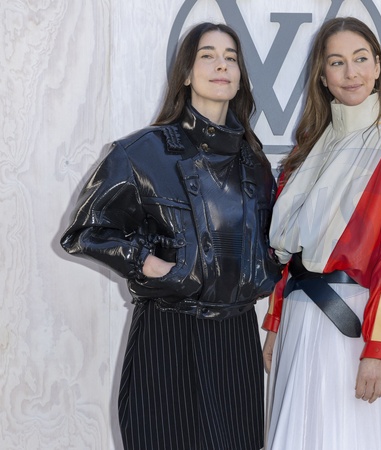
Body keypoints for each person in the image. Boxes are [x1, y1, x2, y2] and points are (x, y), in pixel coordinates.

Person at [60, 22, 279, 450]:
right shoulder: (143, 152)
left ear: (240, 78)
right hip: (168, 331)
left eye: (231, 58)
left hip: (236, 336)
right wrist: (146, 261)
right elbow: (85, 231)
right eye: (207, 56)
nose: (221, 65)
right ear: (186, 74)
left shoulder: (254, 163)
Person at [262, 16, 381, 450]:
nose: (351, 73)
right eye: (337, 62)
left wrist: (380, 346)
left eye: (361, 59)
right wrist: (275, 324)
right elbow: (292, 255)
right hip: (298, 322)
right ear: (323, 77)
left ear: (378, 66)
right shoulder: (308, 150)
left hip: (352, 324)